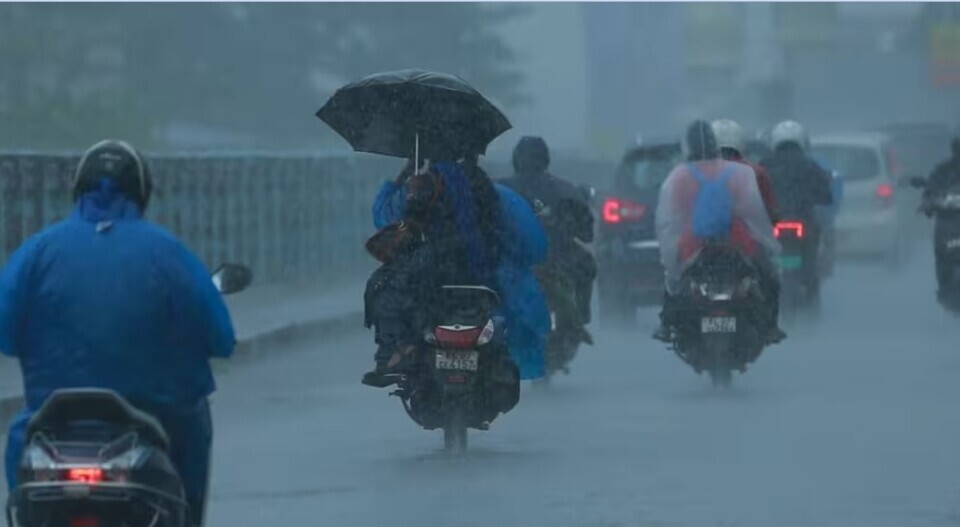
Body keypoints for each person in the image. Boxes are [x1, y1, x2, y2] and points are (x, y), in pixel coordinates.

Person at [0, 140, 235, 527]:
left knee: (19, 444)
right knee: (194, 426)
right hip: (156, 414)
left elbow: (5, 336)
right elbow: (221, 339)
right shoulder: (167, 252)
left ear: (77, 188)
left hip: (55, 418)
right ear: (142, 193)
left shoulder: (37, 252)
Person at [363, 155, 550, 385]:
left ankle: (398, 352)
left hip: (434, 273)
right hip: (482, 273)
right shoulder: (486, 187)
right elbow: (524, 238)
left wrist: (406, 172)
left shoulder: (422, 185)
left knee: (380, 287)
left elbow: (384, 215)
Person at [653, 120, 783, 344]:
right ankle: (771, 326)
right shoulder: (736, 172)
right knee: (769, 275)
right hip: (737, 240)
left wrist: (671, 248)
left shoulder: (680, 176)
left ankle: (666, 324)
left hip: (694, 243)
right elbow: (754, 210)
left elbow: (671, 216)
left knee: (673, 280)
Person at [499, 136, 596, 342]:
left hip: (518, 261)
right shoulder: (565, 190)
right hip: (555, 261)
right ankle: (580, 320)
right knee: (587, 264)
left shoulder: (499, 190)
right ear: (545, 159)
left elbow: (483, 226)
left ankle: (578, 320)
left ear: (517, 159)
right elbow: (587, 233)